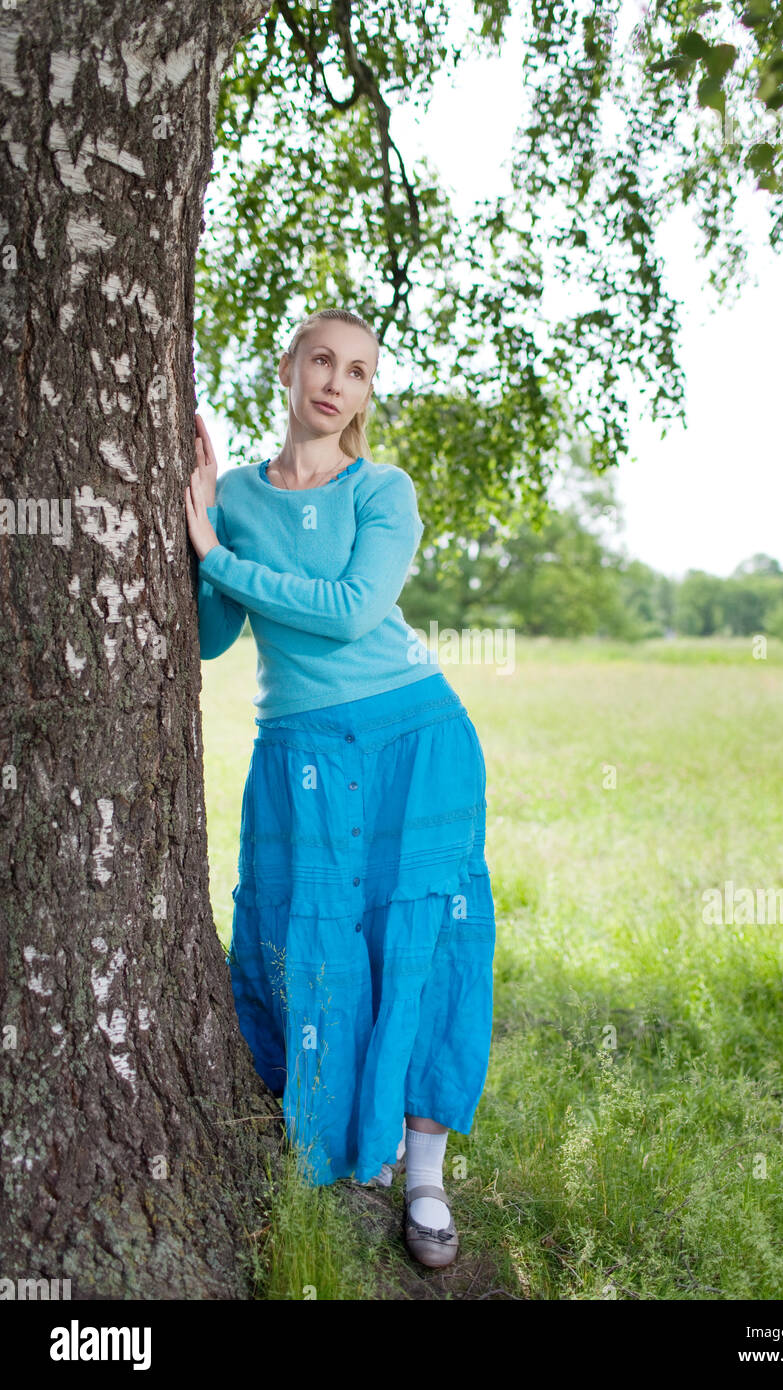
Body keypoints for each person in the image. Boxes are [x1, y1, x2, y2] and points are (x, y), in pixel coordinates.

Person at [184, 307, 496, 1270]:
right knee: (309, 939)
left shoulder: (382, 491)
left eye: (358, 371)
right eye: (321, 360)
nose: (335, 381)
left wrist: (214, 551)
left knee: (426, 943)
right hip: (300, 750)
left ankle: (425, 1177)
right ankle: (326, 1142)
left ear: (365, 393)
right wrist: (202, 505)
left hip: (415, 736)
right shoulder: (234, 496)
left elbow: (350, 613)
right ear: (287, 369)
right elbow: (206, 636)